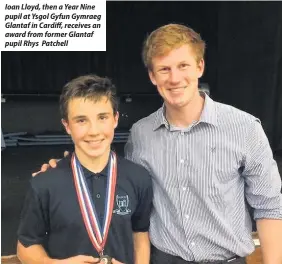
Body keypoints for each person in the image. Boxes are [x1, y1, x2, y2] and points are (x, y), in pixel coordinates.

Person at [34, 24, 282, 264]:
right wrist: (65, 171)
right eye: (164, 69)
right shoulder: (141, 134)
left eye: (183, 65)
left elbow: (269, 207)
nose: (175, 78)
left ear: (200, 66)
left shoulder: (245, 128)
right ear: (152, 76)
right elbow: (122, 188)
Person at [17, 75, 153, 264]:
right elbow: (25, 246)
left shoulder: (139, 178)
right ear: (67, 125)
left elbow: (140, 235)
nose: (93, 131)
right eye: (81, 120)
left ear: (115, 119)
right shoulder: (43, 184)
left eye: (102, 117)